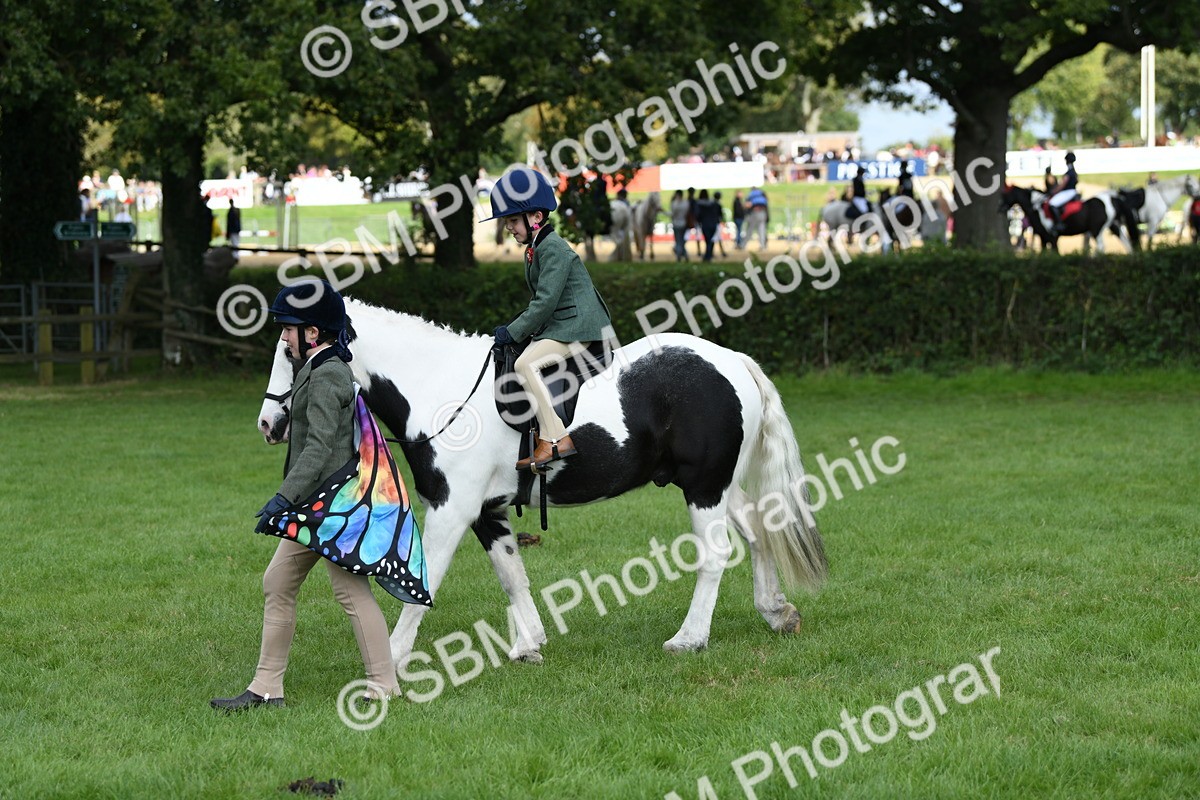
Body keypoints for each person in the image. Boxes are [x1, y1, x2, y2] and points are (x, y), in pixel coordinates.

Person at [211, 280, 400, 711]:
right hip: (315, 504)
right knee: (278, 582)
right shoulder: (318, 367)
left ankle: (384, 685)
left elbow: (317, 447)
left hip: (330, 505)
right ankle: (266, 688)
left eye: (287, 329)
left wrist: (283, 498)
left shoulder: (329, 372)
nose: (283, 337)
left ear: (311, 333)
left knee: (350, 592)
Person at [484, 166, 613, 471]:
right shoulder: (536, 246)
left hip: (579, 326)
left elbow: (543, 304)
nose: (508, 228)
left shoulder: (553, 248)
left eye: (513, 220)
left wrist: (513, 332)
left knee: (525, 364)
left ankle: (554, 438)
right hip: (562, 324)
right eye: (507, 222)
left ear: (536, 217)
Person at [1047, 151, 1079, 233]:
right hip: (1073, 191)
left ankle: (1059, 223)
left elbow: (1062, 185)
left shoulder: (1069, 173)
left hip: (1068, 192)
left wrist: (1053, 192)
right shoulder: (1074, 172)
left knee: (1052, 203)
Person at [696, 189, 721, 262]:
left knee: (708, 240)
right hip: (713, 224)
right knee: (710, 240)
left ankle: (708, 256)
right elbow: (719, 214)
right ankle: (708, 255)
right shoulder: (713, 204)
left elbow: (698, 215)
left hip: (705, 224)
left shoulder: (700, 205)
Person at [670, 189, 690, 262]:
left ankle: (679, 256)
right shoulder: (686, 203)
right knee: (681, 241)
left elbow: (672, 214)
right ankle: (685, 255)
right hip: (684, 223)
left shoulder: (675, 204)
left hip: (676, 224)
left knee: (678, 241)